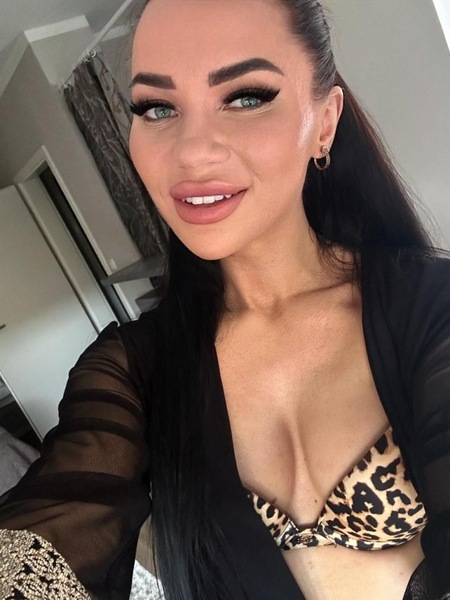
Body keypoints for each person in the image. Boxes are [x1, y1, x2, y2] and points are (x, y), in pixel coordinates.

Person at [0, 0, 449, 598]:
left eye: (245, 97)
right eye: (157, 108)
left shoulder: (432, 305)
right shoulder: (134, 369)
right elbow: (52, 525)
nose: (190, 152)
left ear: (324, 123)